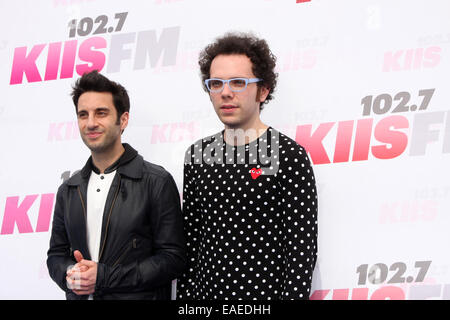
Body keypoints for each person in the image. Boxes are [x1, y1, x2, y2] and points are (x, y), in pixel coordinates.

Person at [176, 32, 318, 300]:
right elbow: (191, 245)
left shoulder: (288, 155)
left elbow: (301, 251)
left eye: (239, 82)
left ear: (263, 90)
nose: (226, 92)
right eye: (215, 83)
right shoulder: (197, 155)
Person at [47, 70, 186, 300]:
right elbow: (56, 256)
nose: (91, 123)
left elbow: (173, 259)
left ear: (123, 119)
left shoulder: (156, 181)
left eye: (101, 113)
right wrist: (69, 274)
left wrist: (104, 276)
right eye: (83, 114)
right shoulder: (68, 190)